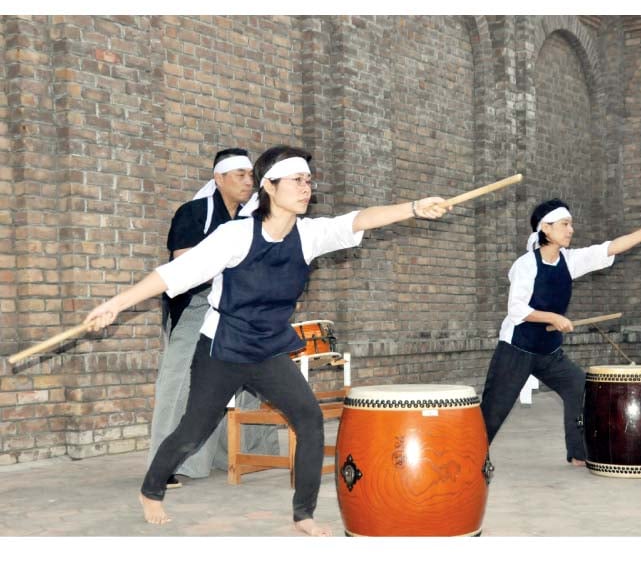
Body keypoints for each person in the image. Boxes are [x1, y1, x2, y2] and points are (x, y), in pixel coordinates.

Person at [85, 144, 450, 535]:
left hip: (269, 348)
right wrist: (116, 304)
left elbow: (359, 220)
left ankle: (303, 515)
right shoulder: (236, 235)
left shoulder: (310, 235)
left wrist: (414, 207)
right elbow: (174, 274)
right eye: (296, 180)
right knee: (193, 431)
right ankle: (151, 489)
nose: (306, 187)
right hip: (222, 348)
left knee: (309, 420)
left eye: (308, 180)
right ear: (270, 187)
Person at [479, 198, 641, 467]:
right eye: (565, 224)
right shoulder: (526, 265)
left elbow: (607, 249)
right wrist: (553, 317)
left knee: (579, 389)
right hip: (517, 348)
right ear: (546, 228)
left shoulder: (570, 261)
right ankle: (467, 456)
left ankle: (579, 451)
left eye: (571, 224)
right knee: (494, 410)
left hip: (548, 352)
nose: (571, 230)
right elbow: (516, 308)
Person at [148, 148, 278, 489]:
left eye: (251, 176)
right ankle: (165, 467)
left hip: (240, 308)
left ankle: (245, 453)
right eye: (240, 175)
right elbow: (182, 263)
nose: (248, 182)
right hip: (198, 304)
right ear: (218, 178)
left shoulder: (250, 219)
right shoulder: (194, 213)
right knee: (180, 383)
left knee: (246, 377)